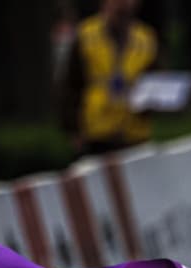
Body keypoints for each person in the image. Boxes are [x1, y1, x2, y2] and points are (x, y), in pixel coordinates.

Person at [59, 0, 158, 156]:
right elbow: (71, 85)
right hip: (96, 131)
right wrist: (73, 130)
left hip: (134, 132)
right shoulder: (86, 34)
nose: (122, 5)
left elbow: (156, 82)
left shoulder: (146, 38)